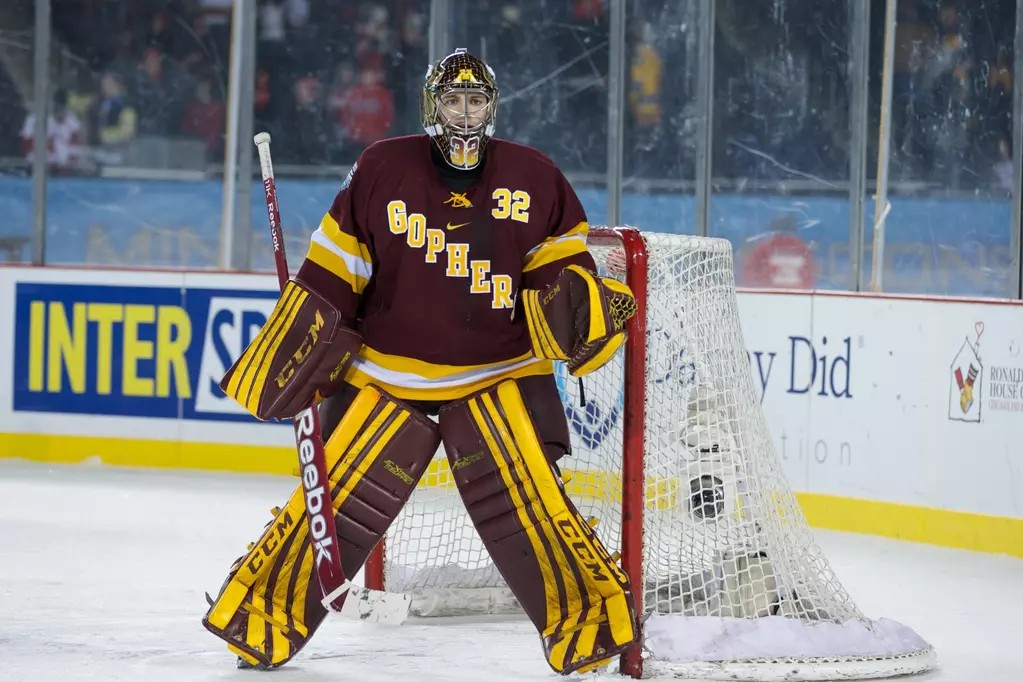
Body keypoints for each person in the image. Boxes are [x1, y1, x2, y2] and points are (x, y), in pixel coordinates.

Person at [202, 49, 640, 674]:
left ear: (492, 108)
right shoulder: (382, 167)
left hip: (495, 372)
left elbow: (559, 270)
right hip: (388, 371)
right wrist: (303, 336)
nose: (464, 114)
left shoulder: (535, 176)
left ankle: (591, 628)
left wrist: (580, 310)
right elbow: (338, 269)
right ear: (431, 105)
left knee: (533, 507)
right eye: (453, 101)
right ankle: (259, 618)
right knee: (333, 503)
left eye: (475, 101)